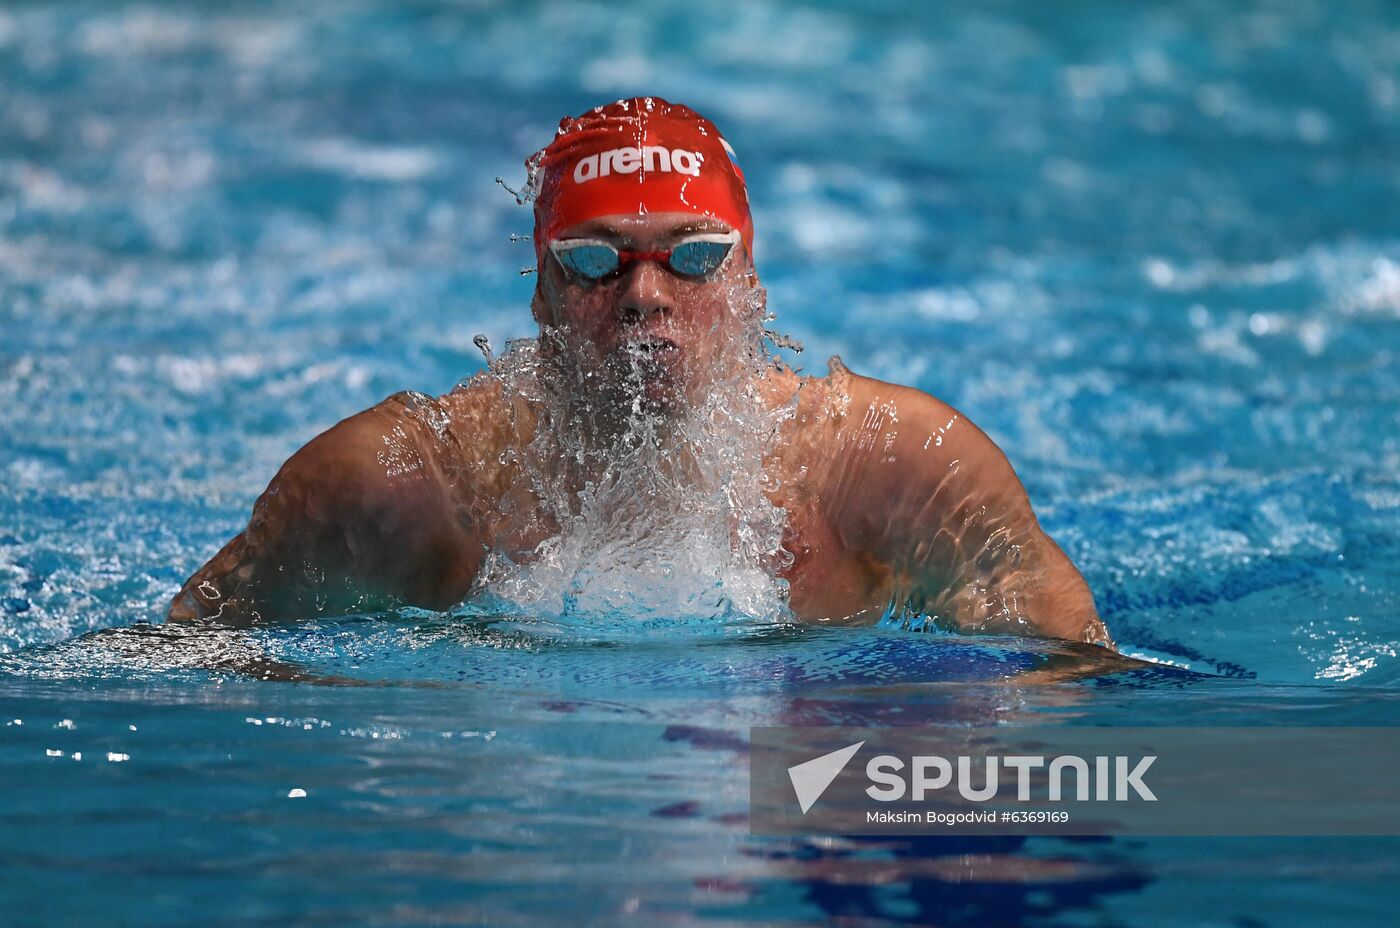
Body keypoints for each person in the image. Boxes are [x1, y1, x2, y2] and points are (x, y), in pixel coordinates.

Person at [167, 97, 1113, 648]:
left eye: (694, 256)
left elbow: (1075, 695)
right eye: (593, 261)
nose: (645, 296)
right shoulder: (402, 489)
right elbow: (179, 677)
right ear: (539, 290)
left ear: (750, 281)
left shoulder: (894, 469)